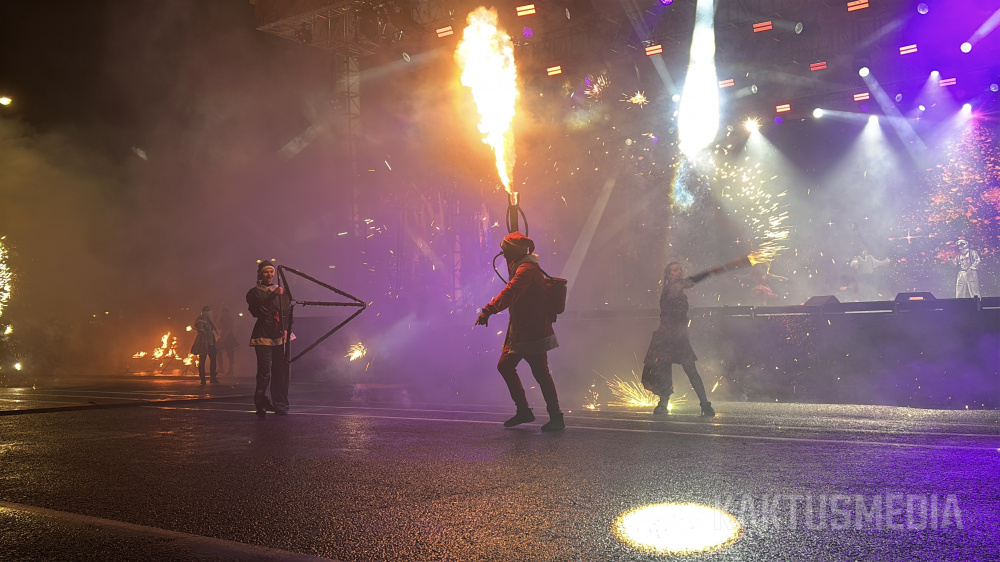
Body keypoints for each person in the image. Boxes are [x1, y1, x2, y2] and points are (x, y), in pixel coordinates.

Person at [476, 232, 564, 432]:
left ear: (514, 251)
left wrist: (488, 310)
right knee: (506, 366)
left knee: (540, 373)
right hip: (521, 329)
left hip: (532, 331)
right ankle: (524, 410)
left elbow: (510, 292)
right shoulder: (520, 263)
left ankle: (556, 416)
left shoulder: (527, 269)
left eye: (506, 250)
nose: (503, 253)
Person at [641, 262, 720, 417]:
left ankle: (704, 403)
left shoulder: (677, 289)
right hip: (665, 337)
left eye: (680, 269)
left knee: (691, 370)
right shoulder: (671, 288)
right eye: (675, 270)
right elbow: (691, 281)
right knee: (664, 371)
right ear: (668, 275)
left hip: (678, 337)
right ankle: (663, 403)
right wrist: (709, 272)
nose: (679, 272)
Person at [246, 260, 290, 418]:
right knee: (265, 373)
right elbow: (259, 312)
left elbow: (287, 311)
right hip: (263, 335)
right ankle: (262, 404)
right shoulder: (254, 293)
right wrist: (273, 295)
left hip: (279, 334)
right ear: (260, 274)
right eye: (266, 272)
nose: (269, 274)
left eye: (271, 271)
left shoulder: (282, 291)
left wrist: (286, 329)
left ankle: (280, 404)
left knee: (280, 371)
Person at [191, 306, 218, 385]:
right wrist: (202, 329)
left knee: (213, 360)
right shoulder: (201, 319)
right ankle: (203, 379)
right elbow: (198, 326)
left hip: (211, 343)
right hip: (203, 343)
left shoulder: (209, 320)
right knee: (202, 361)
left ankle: (213, 378)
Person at [216, 307, 239, 376]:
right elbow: (220, 327)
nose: (223, 314)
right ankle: (220, 368)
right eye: (222, 312)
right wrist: (216, 321)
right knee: (218, 351)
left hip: (229, 337)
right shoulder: (221, 319)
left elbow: (229, 329)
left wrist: (225, 337)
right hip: (223, 335)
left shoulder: (230, 319)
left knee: (230, 354)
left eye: (225, 312)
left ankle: (231, 369)